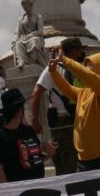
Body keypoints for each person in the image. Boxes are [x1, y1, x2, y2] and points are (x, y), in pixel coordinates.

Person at [50, 48, 100, 171]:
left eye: (91, 65)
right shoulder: (85, 93)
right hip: (84, 161)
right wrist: (53, 72)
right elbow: (67, 89)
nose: (87, 69)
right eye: (86, 66)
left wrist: (65, 60)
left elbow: (89, 77)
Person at [30, 37, 86, 175]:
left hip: (78, 120)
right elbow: (36, 94)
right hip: (62, 122)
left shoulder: (78, 68)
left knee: (77, 163)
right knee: (67, 166)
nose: (81, 54)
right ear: (72, 51)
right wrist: (35, 120)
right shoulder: (52, 69)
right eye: (79, 50)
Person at [0, 89, 55, 183]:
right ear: (19, 111)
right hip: (17, 189)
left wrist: (49, 153)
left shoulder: (28, 131)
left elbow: (31, 160)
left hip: (37, 184)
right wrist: (6, 193)